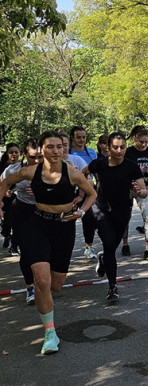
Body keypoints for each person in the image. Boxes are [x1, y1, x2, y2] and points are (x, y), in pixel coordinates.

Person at [0, 131, 96, 354]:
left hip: (64, 227)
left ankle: (47, 308)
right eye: (50, 147)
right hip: (37, 225)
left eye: (59, 147)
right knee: (42, 281)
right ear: (41, 150)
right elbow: (4, 182)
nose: (55, 151)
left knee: (56, 284)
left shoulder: (72, 173)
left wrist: (81, 212)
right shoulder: (29, 171)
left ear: (64, 149)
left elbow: (92, 194)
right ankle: (50, 332)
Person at [82, 132, 147, 300]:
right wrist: (88, 184)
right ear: (108, 148)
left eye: (123, 147)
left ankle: (103, 258)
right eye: (115, 147)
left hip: (122, 211)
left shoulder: (131, 166)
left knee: (111, 248)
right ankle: (113, 286)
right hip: (101, 209)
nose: (119, 151)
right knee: (109, 245)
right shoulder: (99, 164)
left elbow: (144, 191)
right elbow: (83, 173)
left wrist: (140, 191)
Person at [1, 139, 43, 302]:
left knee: (45, 249)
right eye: (32, 157)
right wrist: (5, 193)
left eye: (40, 157)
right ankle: (30, 288)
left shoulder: (49, 169)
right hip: (22, 210)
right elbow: (2, 183)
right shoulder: (13, 169)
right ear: (24, 155)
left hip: (44, 210)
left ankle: (44, 281)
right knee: (26, 251)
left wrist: (41, 190)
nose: (37, 161)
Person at [122, 126, 148, 260]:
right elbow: (122, 172)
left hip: (145, 187)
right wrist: (136, 171)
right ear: (135, 139)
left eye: (146, 142)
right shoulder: (128, 152)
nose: (144, 144)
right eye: (141, 141)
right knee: (124, 216)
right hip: (128, 188)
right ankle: (125, 244)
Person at [68, 126, 98, 260]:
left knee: (89, 217)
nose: (81, 140)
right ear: (72, 138)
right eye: (78, 137)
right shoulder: (68, 153)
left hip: (87, 189)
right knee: (69, 219)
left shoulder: (92, 153)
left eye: (84, 137)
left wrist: (96, 183)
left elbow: (95, 170)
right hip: (69, 190)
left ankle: (88, 246)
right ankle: (66, 248)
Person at [0, 142, 21, 251]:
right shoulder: (2, 166)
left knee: (16, 221)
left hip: (18, 197)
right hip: (4, 197)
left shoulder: (23, 166)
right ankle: (6, 235)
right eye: (11, 152)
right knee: (6, 220)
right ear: (7, 154)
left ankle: (14, 243)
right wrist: (5, 190)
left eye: (16, 152)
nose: (14, 154)